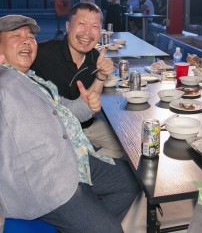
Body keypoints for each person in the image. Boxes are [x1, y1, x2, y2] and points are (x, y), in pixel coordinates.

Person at [0, 15, 139, 233]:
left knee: (130, 182)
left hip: (73, 159)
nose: (27, 41)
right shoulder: (4, 81)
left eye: (30, 37)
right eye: (16, 36)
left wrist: (88, 101)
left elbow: (71, 111)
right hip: (43, 180)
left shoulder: (34, 79)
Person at [31, 2, 124, 159]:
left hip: (85, 125)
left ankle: (89, 163)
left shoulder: (95, 57)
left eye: (94, 26)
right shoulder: (43, 54)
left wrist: (101, 76)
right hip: (54, 131)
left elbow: (90, 107)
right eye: (81, 24)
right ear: (68, 26)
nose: (87, 32)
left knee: (124, 146)